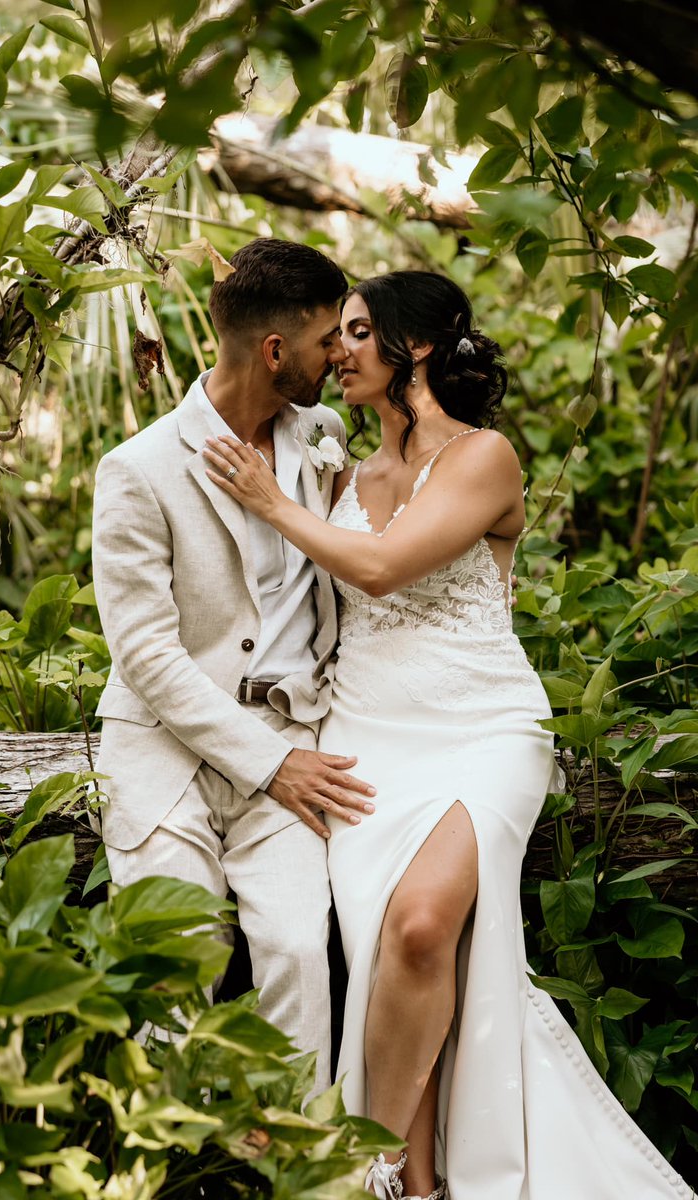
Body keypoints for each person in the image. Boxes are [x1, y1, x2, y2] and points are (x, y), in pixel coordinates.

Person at [204, 270, 695, 1200]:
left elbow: (384, 570)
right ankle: (423, 1188)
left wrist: (274, 504)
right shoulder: (341, 473)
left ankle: (372, 1168)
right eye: (333, 334)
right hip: (367, 738)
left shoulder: (485, 458)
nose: (335, 349)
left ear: (414, 346)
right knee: (404, 951)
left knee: (426, 923)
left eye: (354, 331)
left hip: (483, 727)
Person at [91, 238, 377, 1096]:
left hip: (293, 737)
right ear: (276, 351)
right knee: (179, 959)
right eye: (331, 338)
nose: (343, 355)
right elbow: (143, 654)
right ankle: (170, 1162)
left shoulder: (322, 435)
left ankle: (298, 1165)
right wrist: (268, 764)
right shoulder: (137, 468)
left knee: (296, 947)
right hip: (169, 751)